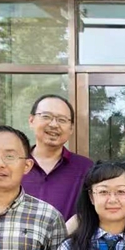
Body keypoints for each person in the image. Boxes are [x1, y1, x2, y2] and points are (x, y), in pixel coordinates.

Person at [22, 94, 93, 224]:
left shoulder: (86, 168)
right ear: (31, 120)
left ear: (71, 128)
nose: (54, 124)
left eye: (62, 120)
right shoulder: (16, 165)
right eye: (46, 116)